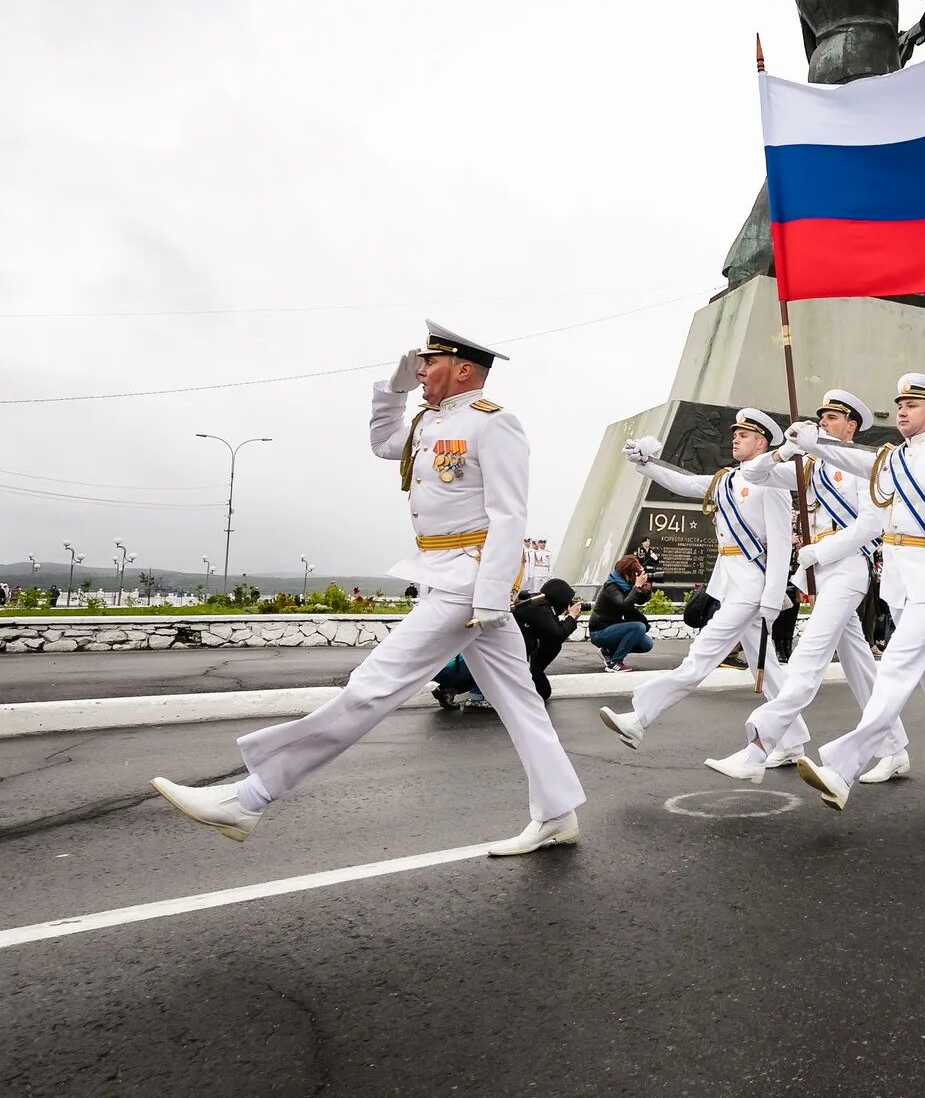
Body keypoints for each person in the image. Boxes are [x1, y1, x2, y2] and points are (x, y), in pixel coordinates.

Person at [149, 322, 586, 857]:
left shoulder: (493, 425)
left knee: (371, 687)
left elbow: (509, 514)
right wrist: (394, 387)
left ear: (464, 369)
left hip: (469, 583)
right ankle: (557, 813)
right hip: (443, 575)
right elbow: (383, 441)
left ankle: (251, 796)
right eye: (419, 363)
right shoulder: (429, 421)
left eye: (430, 362)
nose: (421, 370)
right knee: (519, 702)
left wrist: (492, 597)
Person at [784, 373, 925, 808]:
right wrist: (812, 443)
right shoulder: (891, 459)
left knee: (896, 667)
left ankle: (843, 767)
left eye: (912, 405)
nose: (901, 411)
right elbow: (852, 461)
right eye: (899, 405)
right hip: (903, 581)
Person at [706, 388, 910, 785]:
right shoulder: (810, 467)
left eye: (833, 419)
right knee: (861, 668)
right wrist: (784, 451)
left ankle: (758, 748)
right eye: (821, 418)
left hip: (848, 568)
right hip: (822, 571)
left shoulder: (865, 466)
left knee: (807, 658)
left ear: (851, 426)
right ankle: (895, 749)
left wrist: (821, 550)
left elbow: (870, 525)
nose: (824, 424)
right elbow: (753, 473)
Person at [601, 410, 807, 760]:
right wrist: (647, 464)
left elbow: (781, 543)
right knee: (768, 667)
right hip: (731, 582)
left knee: (701, 657)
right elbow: (686, 483)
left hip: (752, 587)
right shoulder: (725, 480)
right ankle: (791, 742)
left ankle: (641, 717)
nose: (735, 438)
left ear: (761, 442)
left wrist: (773, 596)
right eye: (735, 433)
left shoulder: (771, 483)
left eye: (744, 434)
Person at [514, 578, 580, 700]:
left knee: (543, 691)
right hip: (521, 656)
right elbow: (557, 635)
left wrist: (569, 619)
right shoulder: (540, 609)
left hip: (524, 653)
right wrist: (571, 616)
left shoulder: (542, 605)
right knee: (543, 692)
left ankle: (533, 674)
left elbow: (554, 632)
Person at [589, 554, 655, 670]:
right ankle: (615, 663)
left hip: (615, 627)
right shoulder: (611, 586)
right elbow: (624, 605)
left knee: (647, 644)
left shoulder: (626, 584)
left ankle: (609, 650)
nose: (636, 575)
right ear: (626, 573)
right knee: (638, 627)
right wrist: (637, 586)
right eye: (634, 573)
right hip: (600, 631)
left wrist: (645, 590)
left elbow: (639, 601)